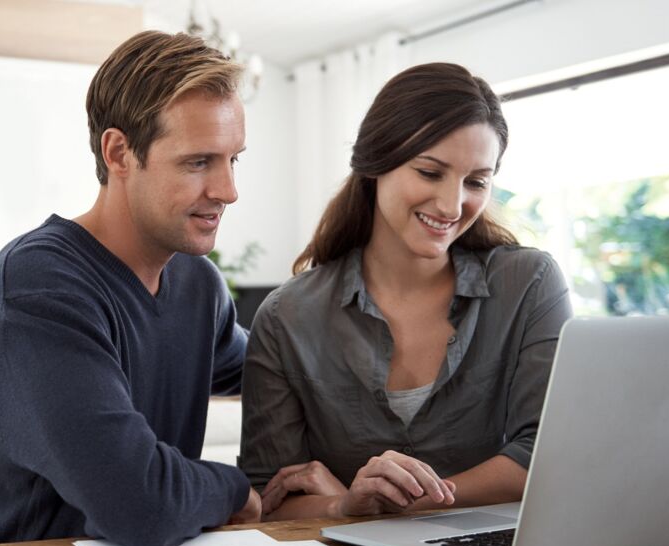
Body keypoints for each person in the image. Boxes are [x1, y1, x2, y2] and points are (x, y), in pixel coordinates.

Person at [0, 30, 261, 546]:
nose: (228, 190)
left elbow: (280, 373)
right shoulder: (39, 287)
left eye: (233, 160)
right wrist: (237, 488)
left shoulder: (199, 286)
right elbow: (140, 505)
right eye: (199, 162)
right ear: (119, 153)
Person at [239, 62, 573, 521]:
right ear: (375, 162)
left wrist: (404, 503)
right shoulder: (286, 318)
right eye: (431, 172)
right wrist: (344, 503)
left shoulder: (529, 286)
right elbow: (270, 497)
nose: (452, 205)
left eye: (476, 181)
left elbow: (546, 453)